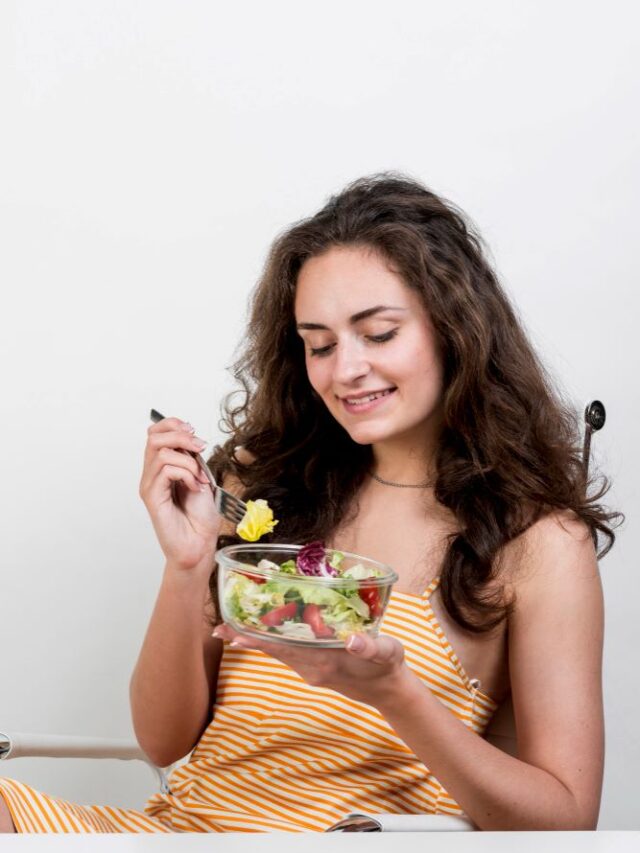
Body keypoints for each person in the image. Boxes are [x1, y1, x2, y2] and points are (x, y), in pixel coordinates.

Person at [0, 173, 621, 833]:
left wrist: (393, 693)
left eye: (378, 334)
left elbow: (566, 821)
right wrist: (185, 567)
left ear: (455, 331)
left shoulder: (538, 541)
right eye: (319, 344)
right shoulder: (258, 489)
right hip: (176, 833)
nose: (343, 368)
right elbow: (164, 741)